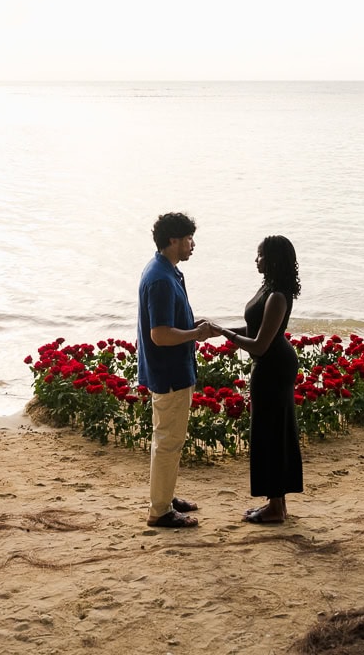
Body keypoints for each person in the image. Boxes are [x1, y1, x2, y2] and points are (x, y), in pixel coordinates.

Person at [213, 235, 304, 524]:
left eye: (260, 255)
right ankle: (277, 504)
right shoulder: (269, 288)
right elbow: (254, 328)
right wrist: (219, 329)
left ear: (273, 259)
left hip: (274, 367)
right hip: (271, 363)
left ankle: (276, 507)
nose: (256, 260)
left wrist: (225, 334)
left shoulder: (278, 296)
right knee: (270, 432)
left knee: (272, 434)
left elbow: (260, 344)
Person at [137, 211, 217, 529]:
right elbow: (160, 334)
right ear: (173, 241)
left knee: (169, 439)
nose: (192, 245)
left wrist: (192, 326)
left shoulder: (166, 270)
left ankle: (166, 498)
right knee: (169, 440)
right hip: (169, 372)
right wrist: (195, 334)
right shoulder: (160, 278)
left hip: (170, 369)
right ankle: (160, 511)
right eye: (188, 239)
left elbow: (169, 326)